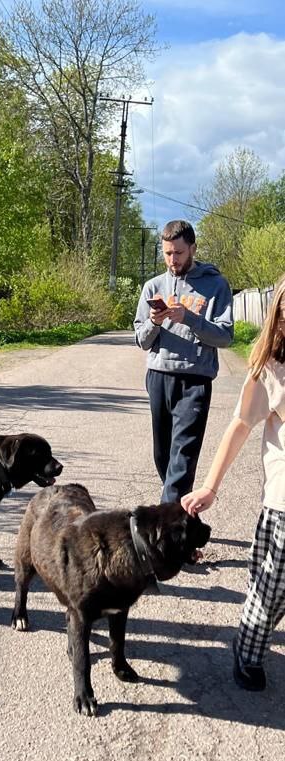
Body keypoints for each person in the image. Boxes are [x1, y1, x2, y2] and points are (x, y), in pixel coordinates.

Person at [181, 274, 285, 691]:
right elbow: (241, 424)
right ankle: (250, 648)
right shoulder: (273, 369)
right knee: (271, 590)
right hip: (284, 505)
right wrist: (210, 485)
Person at [134, 220, 233, 506]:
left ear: (192, 248)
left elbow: (225, 337)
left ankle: (166, 526)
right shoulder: (153, 286)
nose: (172, 260)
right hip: (158, 377)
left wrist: (188, 317)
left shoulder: (215, 285)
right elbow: (141, 341)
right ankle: (180, 516)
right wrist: (154, 323)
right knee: (163, 456)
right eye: (167, 254)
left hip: (194, 380)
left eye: (178, 253)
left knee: (183, 457)